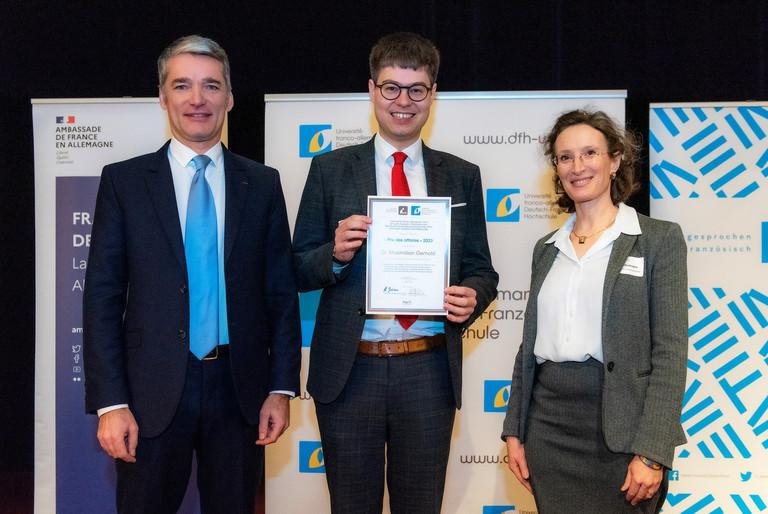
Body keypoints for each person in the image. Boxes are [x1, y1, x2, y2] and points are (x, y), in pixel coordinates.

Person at [83, 35, 301, 513]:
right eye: (182, 86)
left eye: (211, 86)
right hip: (149, 393)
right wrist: (110, 402)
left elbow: (281, 295)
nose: (197, 99)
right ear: (163, 97)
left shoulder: (262, 184)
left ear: (229, 97)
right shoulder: (124, 182)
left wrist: (280, 389)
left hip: (239, 391)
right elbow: (101, 296)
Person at [292, 32, 498, 514]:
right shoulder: (329, 169)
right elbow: (298, 266)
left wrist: (472, 294)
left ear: (432, 96)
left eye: (416, 89)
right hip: (350, 371)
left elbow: (481, 269)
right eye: (391, 88)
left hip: (427, 369)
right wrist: (336, 254)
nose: (403, 101)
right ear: (371, 90)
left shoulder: (461, 175)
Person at [501, 109, 688, 513]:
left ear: (615, 159)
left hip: (622, 437)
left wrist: (653, 452)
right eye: (565, 157)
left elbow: (670, 356)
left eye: (590, 153)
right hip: (548, 434)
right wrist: (514, 431)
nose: (577, 166)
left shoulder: (657, 240)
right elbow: (528, 348)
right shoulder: (546, 248)